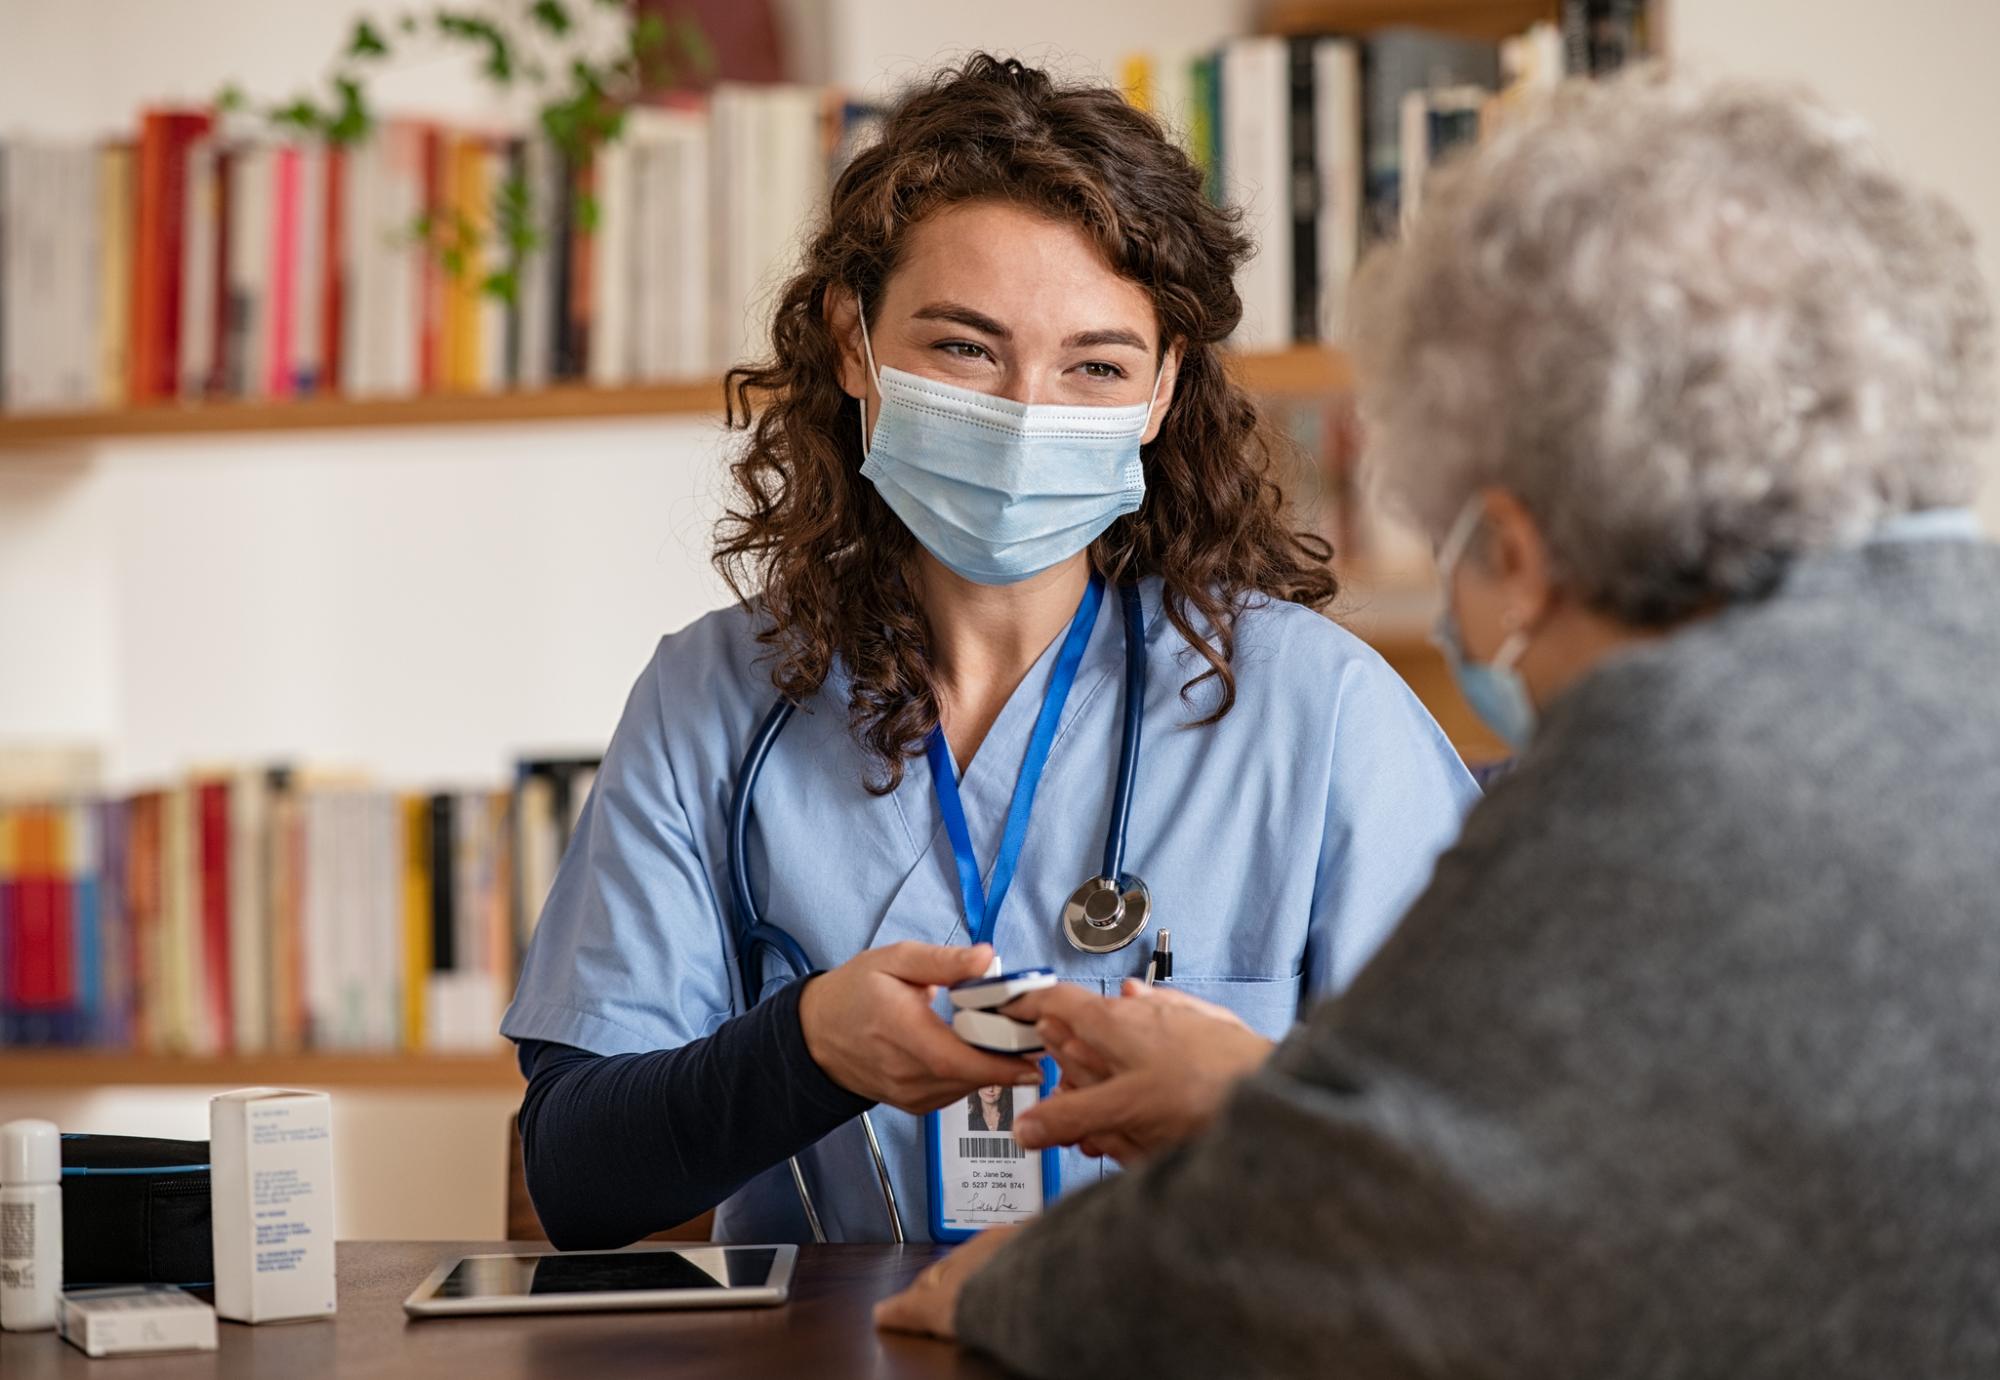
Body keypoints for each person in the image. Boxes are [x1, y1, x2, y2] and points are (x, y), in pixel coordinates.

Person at [876, 68, 2000, 1376]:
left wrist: (1018, 1289)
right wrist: (1260, 1104)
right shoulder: (1957, 638)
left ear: (1518, 552)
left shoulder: (1664, 757)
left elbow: (1368, 1237)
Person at [500, 54, 1476, 1248]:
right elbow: (579, 1177)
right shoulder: (715, 701)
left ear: (1162, 391)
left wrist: (1240, 1107)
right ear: (850, 342)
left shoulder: (1315, 712)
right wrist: (804, 1047)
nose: (1026, 413)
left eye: (1095, 366)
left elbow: (1479, 1159)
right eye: (963, 349)